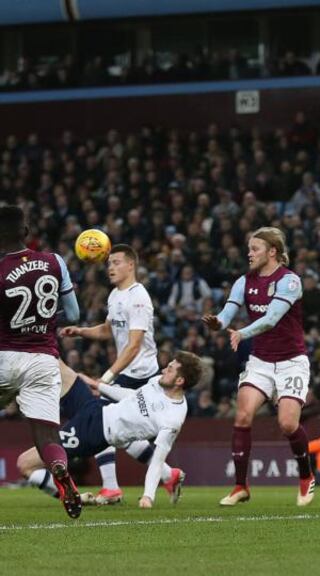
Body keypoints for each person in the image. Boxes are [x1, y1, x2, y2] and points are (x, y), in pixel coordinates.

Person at [203, 227, 315, 507]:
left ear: (272, 251)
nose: (249, 254)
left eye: (255, 249)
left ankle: (306, 475)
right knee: (242, 416)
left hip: (292, 362)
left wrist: (241, 333)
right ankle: (241, 486)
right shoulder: (244, 281)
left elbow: (271, 319)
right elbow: (228, 312)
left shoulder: (290, 281)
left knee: (288, 423)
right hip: (261, 361)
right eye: (249, 249)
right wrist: (218, 322)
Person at [17, 353, 199, 508]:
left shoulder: (172, 419)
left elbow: (158, 460)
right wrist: (98, 386)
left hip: (93, 432)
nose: (163, 370)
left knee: (25, 464)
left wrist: (148, 496)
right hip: (96, 407)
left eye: (170, 369)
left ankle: (72, 497)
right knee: (51, 360)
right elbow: (132, 396)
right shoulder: (158, 382)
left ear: (180, 380)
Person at [60, 244, 164, 505]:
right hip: (127, 373)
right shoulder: (116, 296)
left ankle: (114, 486)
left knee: (102, 422)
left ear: (131, 265)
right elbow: (108, 330)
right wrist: (81, 331)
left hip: (140, 376)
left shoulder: (138, 297)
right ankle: (167, 474)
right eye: (109, 263)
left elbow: (134, 345)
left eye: (117, 262)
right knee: (109, 426)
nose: (111, 267)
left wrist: (105, 378)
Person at [0, 205, 82, 518]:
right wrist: (44, 319)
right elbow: (73, 315)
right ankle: (60, 468)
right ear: (26, 231)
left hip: (5, 357)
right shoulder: (54, 261)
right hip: (44, 361)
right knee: (47, 436)